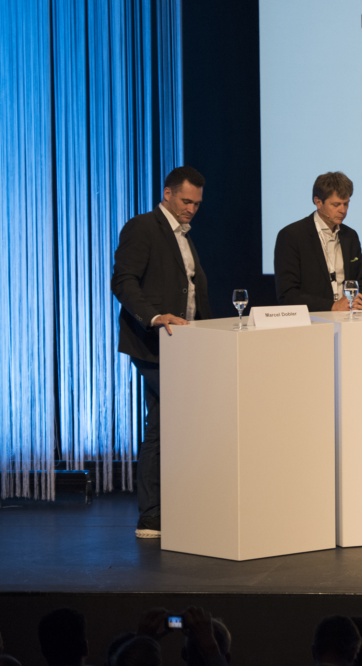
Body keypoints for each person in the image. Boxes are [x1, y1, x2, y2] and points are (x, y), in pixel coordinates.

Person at [111, 166, 212, 539]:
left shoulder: (183, 236)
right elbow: (123, 280)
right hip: (153, 342)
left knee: (167, 422)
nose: (191, 209)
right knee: (167, 421)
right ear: (167, 194)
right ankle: (151, 514)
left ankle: (171, 506)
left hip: (185, 343)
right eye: (186, 201)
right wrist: (153, 316)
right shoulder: (144, 227)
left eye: (197, 204)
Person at [275, 172, 362, 312]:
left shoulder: (350, 236)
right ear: (318, 202)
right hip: (311, 324)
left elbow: (359, 281)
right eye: (336, 204)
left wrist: (361, 303)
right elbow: (288, 294)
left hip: (348, 321)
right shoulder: (292, 235)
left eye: (346, 204)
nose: (343, 210)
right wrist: (331, 306)